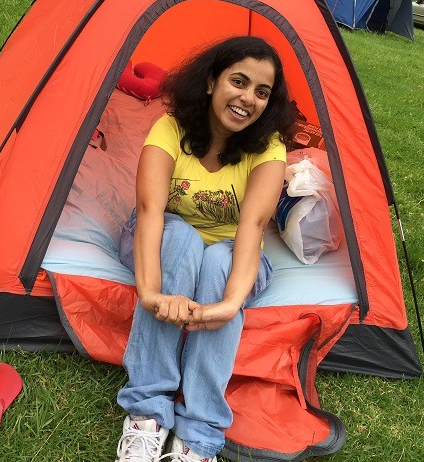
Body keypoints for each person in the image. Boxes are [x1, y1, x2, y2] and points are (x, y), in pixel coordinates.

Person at [115, 36, 296, 462]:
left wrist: (231, 303)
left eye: (261, 92)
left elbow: (252, 228)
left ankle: (199, 435)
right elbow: (150, 210)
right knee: (182, 239)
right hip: (164, 239)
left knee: (218, 259)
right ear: (212, 81)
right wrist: (151, 292)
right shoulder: (171, 127)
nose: (247, 98)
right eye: (239, 81)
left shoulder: (269, 148)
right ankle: (147, 415)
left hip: (232, 251)